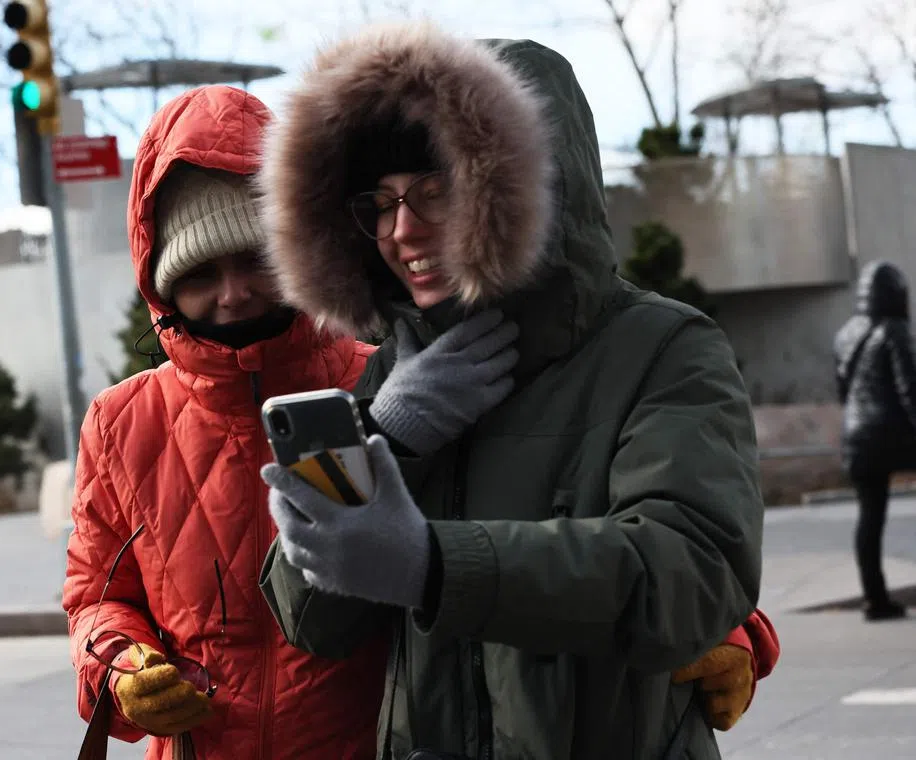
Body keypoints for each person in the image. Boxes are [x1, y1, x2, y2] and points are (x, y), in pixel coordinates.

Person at [257, 24, 776, 758]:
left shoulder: (660, 350)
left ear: (526, 188)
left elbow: (691, 576)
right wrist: (388, 441)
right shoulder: (395, 370)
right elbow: (311, 622)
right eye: (378, 201)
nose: (401, 230)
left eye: (435, 191)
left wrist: (434, 566)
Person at [62, 85, 405, 760]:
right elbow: (95, 597)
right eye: (200, 271)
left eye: (255, 258)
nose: (233, 293)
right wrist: (122, 668)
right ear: (161, 283)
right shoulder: (119, 423)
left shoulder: (384, 382)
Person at [834, 260, 915, 621]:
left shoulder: (845, 333)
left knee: (870, 517)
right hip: (896, 434)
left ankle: (875, 598)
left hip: (857, 436)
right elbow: (909, 388)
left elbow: (842, 390)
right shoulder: (896, 331)